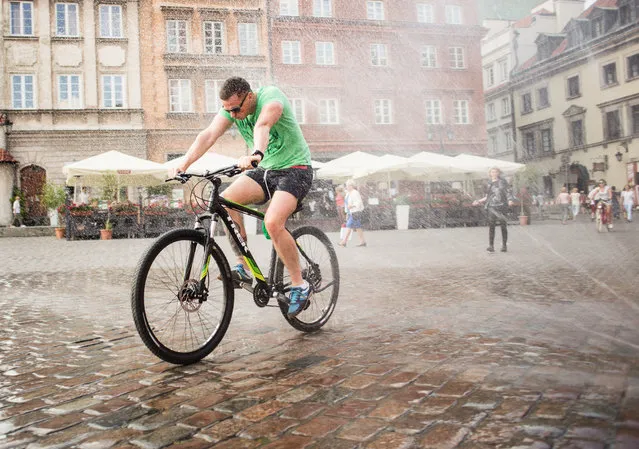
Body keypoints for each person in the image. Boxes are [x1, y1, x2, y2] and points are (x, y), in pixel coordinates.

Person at [174, 77, 313, 317]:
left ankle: (300, 284)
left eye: (236, 109)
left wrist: (256, 153)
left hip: (295, 170)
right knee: (226, 201)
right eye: (228, 110)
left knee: (272, 222)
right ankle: (244, 265)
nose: (233, 115)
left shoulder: (271, 98)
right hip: (265, 171)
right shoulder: (232, 108)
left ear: (249, 96)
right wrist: (183, 164)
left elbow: (263, 125)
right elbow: (208, 135)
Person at [472, 167, 514, 253]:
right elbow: (488, 196)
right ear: (490, 173)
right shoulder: (488, 183)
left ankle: (504, 245)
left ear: (498, 173)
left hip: (502, 206)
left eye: (495, 172)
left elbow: (508, 191)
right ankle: (491, 246)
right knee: (491, 226)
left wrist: (510, 200)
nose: (494, 173)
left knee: (503, 226)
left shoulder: (503, 182)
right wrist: (478, 201)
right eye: (492, 172)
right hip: (492, 207)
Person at [338, 179, 367, 248]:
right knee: (357, 227)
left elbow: (358, 202)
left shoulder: (355, 192)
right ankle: (362, 241)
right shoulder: (348, 193)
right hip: (351, 212)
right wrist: (347, 213)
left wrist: (352, 206)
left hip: (355, 212)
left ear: (351, 186)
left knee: (349, 226)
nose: (346, 187)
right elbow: (346, 203)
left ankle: (344, 242)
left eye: (347, 185)